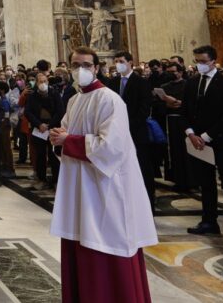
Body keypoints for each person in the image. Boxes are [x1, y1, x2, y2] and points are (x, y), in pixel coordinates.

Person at [49, 47, 156, 302]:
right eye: (75, 65)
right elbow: (64, 131)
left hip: (104, 188)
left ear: (96, 68)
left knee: (104, 243)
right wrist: (58, 138)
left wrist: (69, 141)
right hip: (80, 186)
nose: (80, 70)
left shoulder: (109, 99)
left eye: (85, 65)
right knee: (80, 237)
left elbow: (112, 147)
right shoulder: (74, 100)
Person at [181, 45, 223, 247]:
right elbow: (185, 110)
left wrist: (206, 136)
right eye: (197, 61)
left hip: (221, 140)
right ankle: (209, 221)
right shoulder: (192, 83)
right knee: (205, 184)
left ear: (213, 61)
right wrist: (191, 133)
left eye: (202, 61)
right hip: (198, 142)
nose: (199, 64)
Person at [103, 51, 156, 209]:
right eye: (116, 61)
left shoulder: (141, 82)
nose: (118, 63)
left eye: (121, 61)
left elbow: (144, 108)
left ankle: (147, 204)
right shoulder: (112, 82)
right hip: (116, 133)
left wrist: (127, 125)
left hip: (136, 131)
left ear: (130, 62)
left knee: (142, 168)